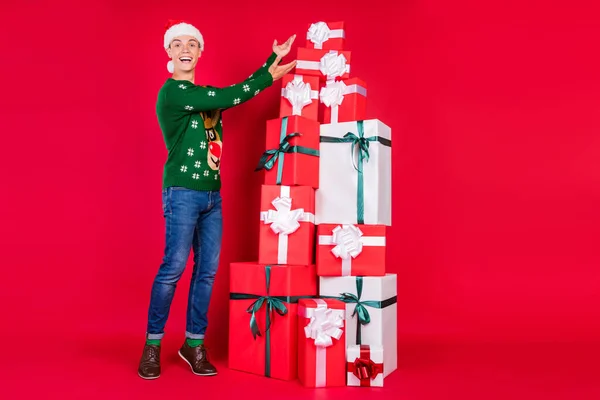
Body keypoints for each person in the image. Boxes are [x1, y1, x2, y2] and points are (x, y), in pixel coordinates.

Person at [137, 19, 297, 380]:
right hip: (182, 192)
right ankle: (152, 344)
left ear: (199, 51)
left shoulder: (204, 94)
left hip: (213, 195)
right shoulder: (174, 92)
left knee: (206, 272)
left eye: (191, 44)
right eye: (177, 44)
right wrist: (267, 75)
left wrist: (271, 58)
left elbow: (228, 94)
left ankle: (193, 344)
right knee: (172, 268)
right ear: (168, 53)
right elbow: (230, 95)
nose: (184, 50)